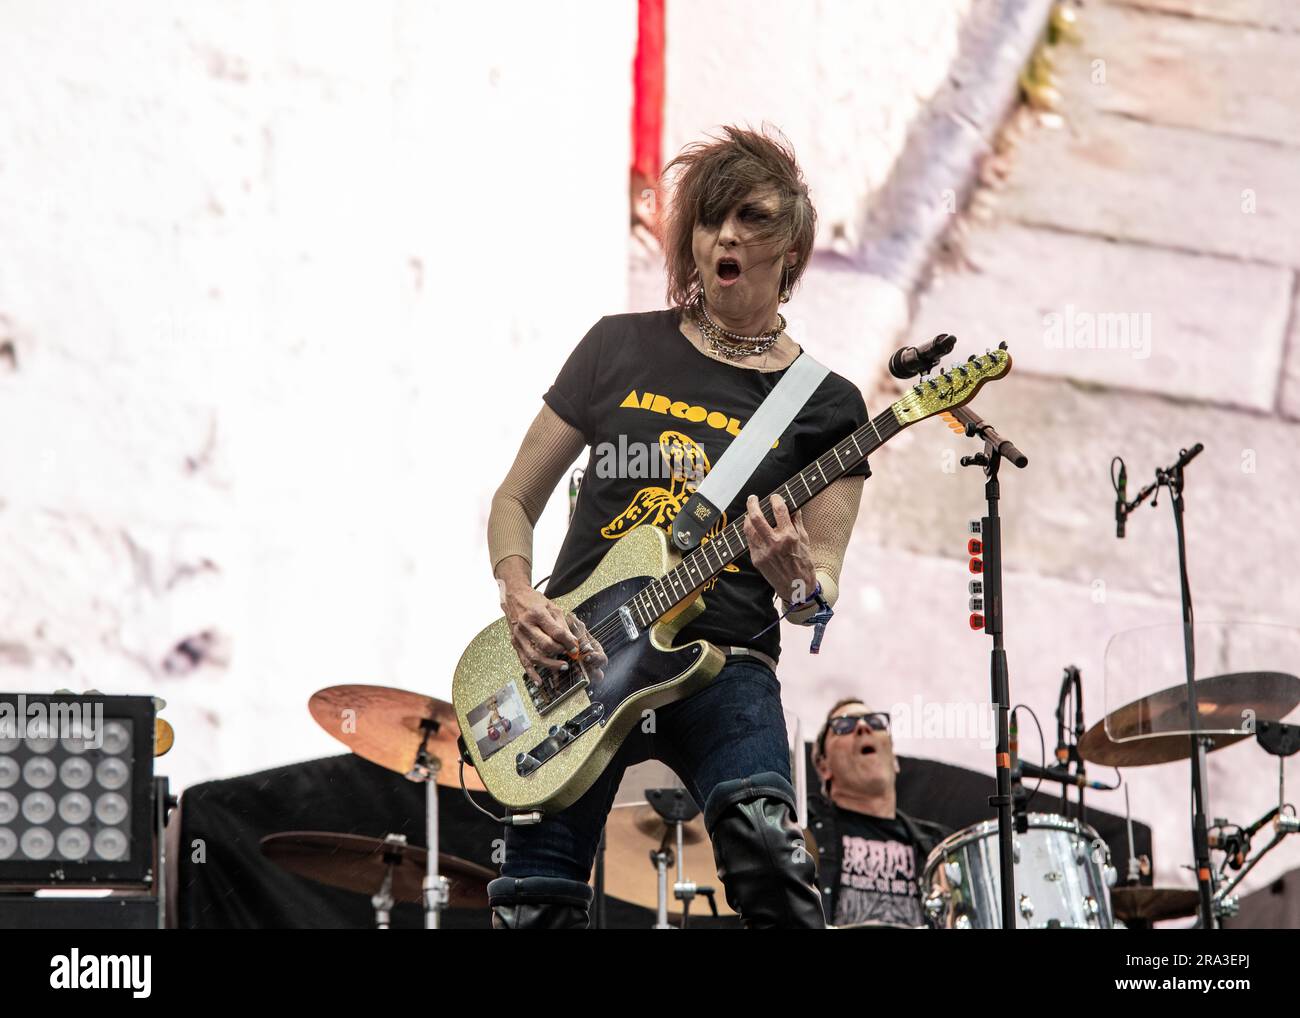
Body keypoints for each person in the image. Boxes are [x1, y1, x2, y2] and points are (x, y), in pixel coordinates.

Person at [485, 126, 871, 928]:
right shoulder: (615, 346)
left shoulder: (827, 406)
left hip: (720, 661)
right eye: (708, 219)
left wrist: (796, 580)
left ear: (792, 247)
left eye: (752, 218)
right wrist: (520, 597)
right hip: (578, 654)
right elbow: (515, 499)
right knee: (530, 905)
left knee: (768, 849)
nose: (725, 235)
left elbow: (819, 590)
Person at [809, 698, 951, 927]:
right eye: (844, 725)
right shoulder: (800, 831)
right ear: (824, 766)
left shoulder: (941, 846)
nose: (863, 727)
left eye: (875, 722)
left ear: (895, 760)